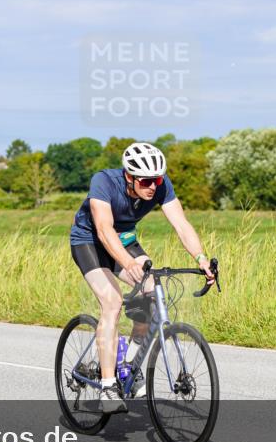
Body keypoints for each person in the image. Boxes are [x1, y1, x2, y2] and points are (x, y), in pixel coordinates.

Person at [69, 142, 214, 413]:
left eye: (157, 179)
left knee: (152, 292)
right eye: (146, 181)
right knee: (112, 302)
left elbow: (181, 225)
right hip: (89, 242)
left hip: (124, 240)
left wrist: (201, 259)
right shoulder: (103, 182)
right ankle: (109, 386)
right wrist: (126, 262)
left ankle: (130, 366)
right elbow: (103, 229)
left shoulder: (160, 185)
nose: (153, 186)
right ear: (129, 177)